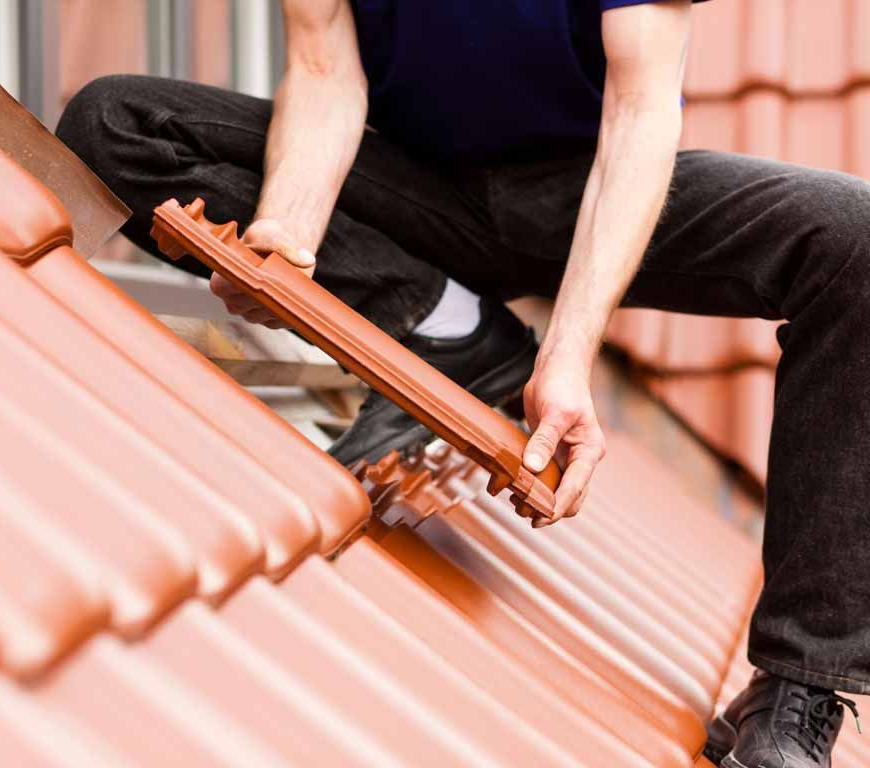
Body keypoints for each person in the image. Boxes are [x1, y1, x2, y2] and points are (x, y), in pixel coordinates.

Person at [56, 1, 869, 764]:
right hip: (420, 189)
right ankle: (450, 328)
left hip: (582, 189)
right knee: (117, 123)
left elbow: (639, 115)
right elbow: (324, 70)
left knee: (853, 239)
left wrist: (567, 356)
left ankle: (798, 684)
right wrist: (288, 243)